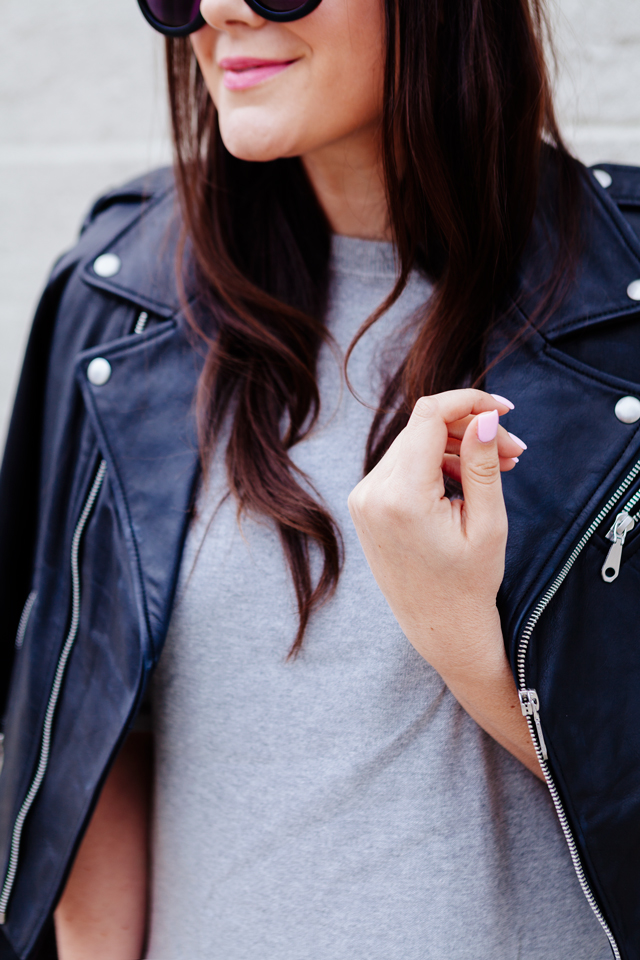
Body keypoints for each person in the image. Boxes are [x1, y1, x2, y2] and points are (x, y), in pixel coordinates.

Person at [1, 0, 640, 956]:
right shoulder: (117, 305)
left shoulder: (621, 308)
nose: (219, 7)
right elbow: (92, 738)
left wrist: (465, 641)